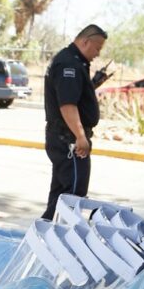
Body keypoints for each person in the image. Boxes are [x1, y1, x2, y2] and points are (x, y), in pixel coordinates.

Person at [41, 25, 108, 220]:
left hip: (65, 136)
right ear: (85, 42)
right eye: (97, 48)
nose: (98, 54)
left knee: (62, 194)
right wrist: (80, 136)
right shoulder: (68, 64)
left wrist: (93, 83)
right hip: (68, 138)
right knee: (73, 195)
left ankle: (46, 234)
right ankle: (47, 234)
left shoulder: (74, 61)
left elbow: (74, 95)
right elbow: (67, 105)